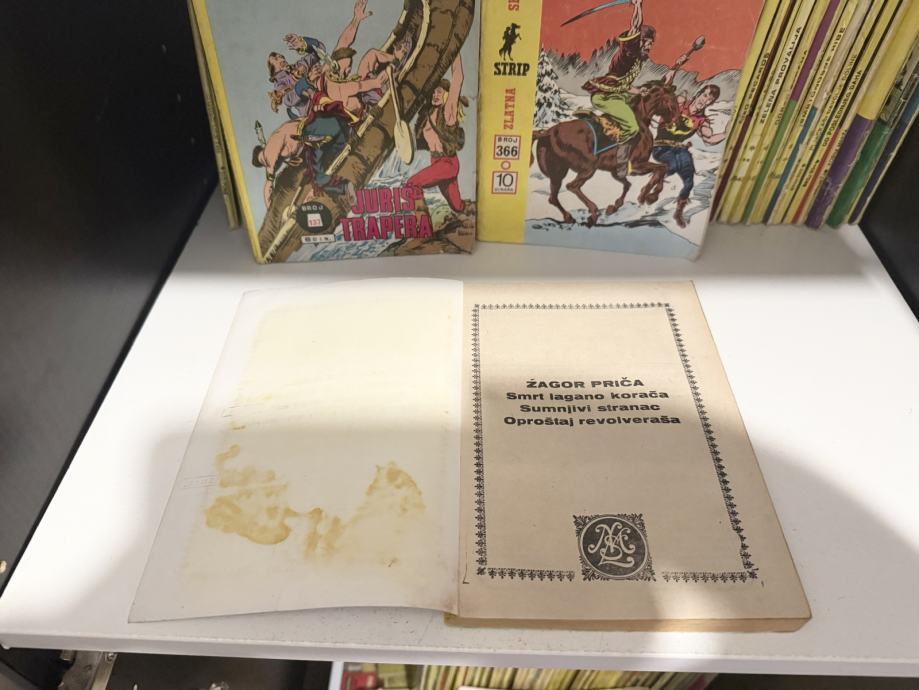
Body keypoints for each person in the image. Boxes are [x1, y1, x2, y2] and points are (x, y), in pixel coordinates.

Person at [651, 83, 726, 227]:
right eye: (704, 95)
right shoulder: (681, 103)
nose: (704, 100)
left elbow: (709, 138)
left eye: (709, 100)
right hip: (661, 146)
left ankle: (679, 212)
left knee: (689, 180)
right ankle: (652, 188)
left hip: (679, 149)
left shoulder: (701, 120)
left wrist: (725, 133)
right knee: (673, 165)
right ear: (699, 93)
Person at [582, 0, 655, 142]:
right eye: (648, 43)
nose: (650, 47)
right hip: (605, 97)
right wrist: (638, 5)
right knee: (632, 128)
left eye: (651, 44)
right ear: (640, 40)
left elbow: (623, 85)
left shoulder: (637, 60)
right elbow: (636, 25)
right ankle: (617, 150)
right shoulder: (629, 52)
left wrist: (638, 91)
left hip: (617, 96)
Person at [407, 55, 468, 213]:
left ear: (447, 95)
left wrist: (455, 50)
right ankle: (470, 210)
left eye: (439, 91)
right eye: (433, 92)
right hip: (436, 162)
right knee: (457, 207)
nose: (435, 95)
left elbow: (458, 77)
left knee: (412, 184)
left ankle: (422, 222)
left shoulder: (448, 112)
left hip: (448, 163)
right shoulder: (426, 116)